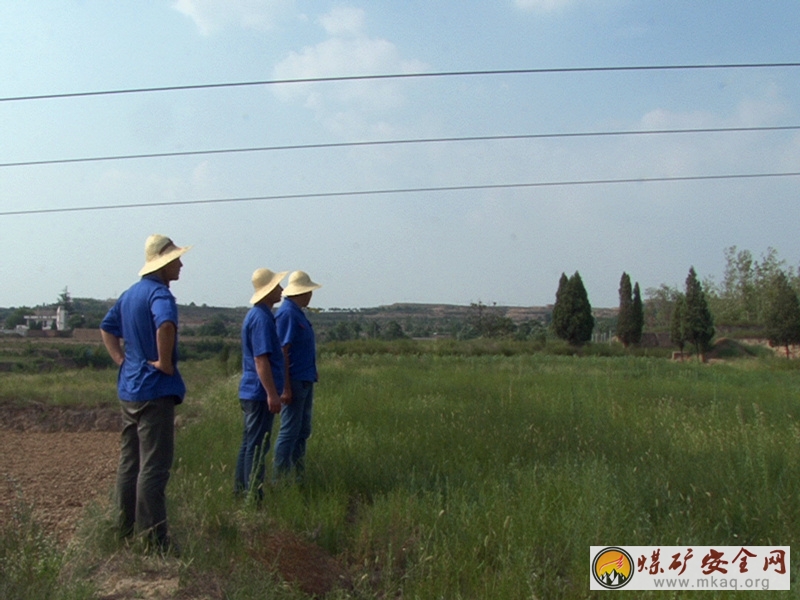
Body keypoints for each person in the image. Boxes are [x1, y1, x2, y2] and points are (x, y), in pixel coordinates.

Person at [100, 234, 191, 554]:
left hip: (130, 389)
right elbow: (166, 326)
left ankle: (123, 529)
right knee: (154, 466)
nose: (181, 264)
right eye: (176, 259)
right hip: (155, 390)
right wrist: (165, 363)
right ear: (163, 263)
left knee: (130, 462)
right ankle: (154, 540)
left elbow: (107, 327)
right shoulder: (160, 294)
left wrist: (121, 361)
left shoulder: (130, 295)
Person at [235, 267, 287, 499]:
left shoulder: (259, 316)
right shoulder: (262, 319)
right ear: (267, 291)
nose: (282, 290)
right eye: (277, 286)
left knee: (249, 444)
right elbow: (261, 359)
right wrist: (272, 394)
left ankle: (241, 491)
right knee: (257, 447)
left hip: (253, 391)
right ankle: (253, 497)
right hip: (258, 393)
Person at [273, 271, 322, 482]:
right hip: (293, 380)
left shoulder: (298, 313)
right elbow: (282, 350)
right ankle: (281, 479)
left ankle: (298, 475)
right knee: (290, 430)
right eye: (308, 291)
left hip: (305, 378)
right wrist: (285, 387)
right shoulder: (287, 314)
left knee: (302, 429)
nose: (311, 295)